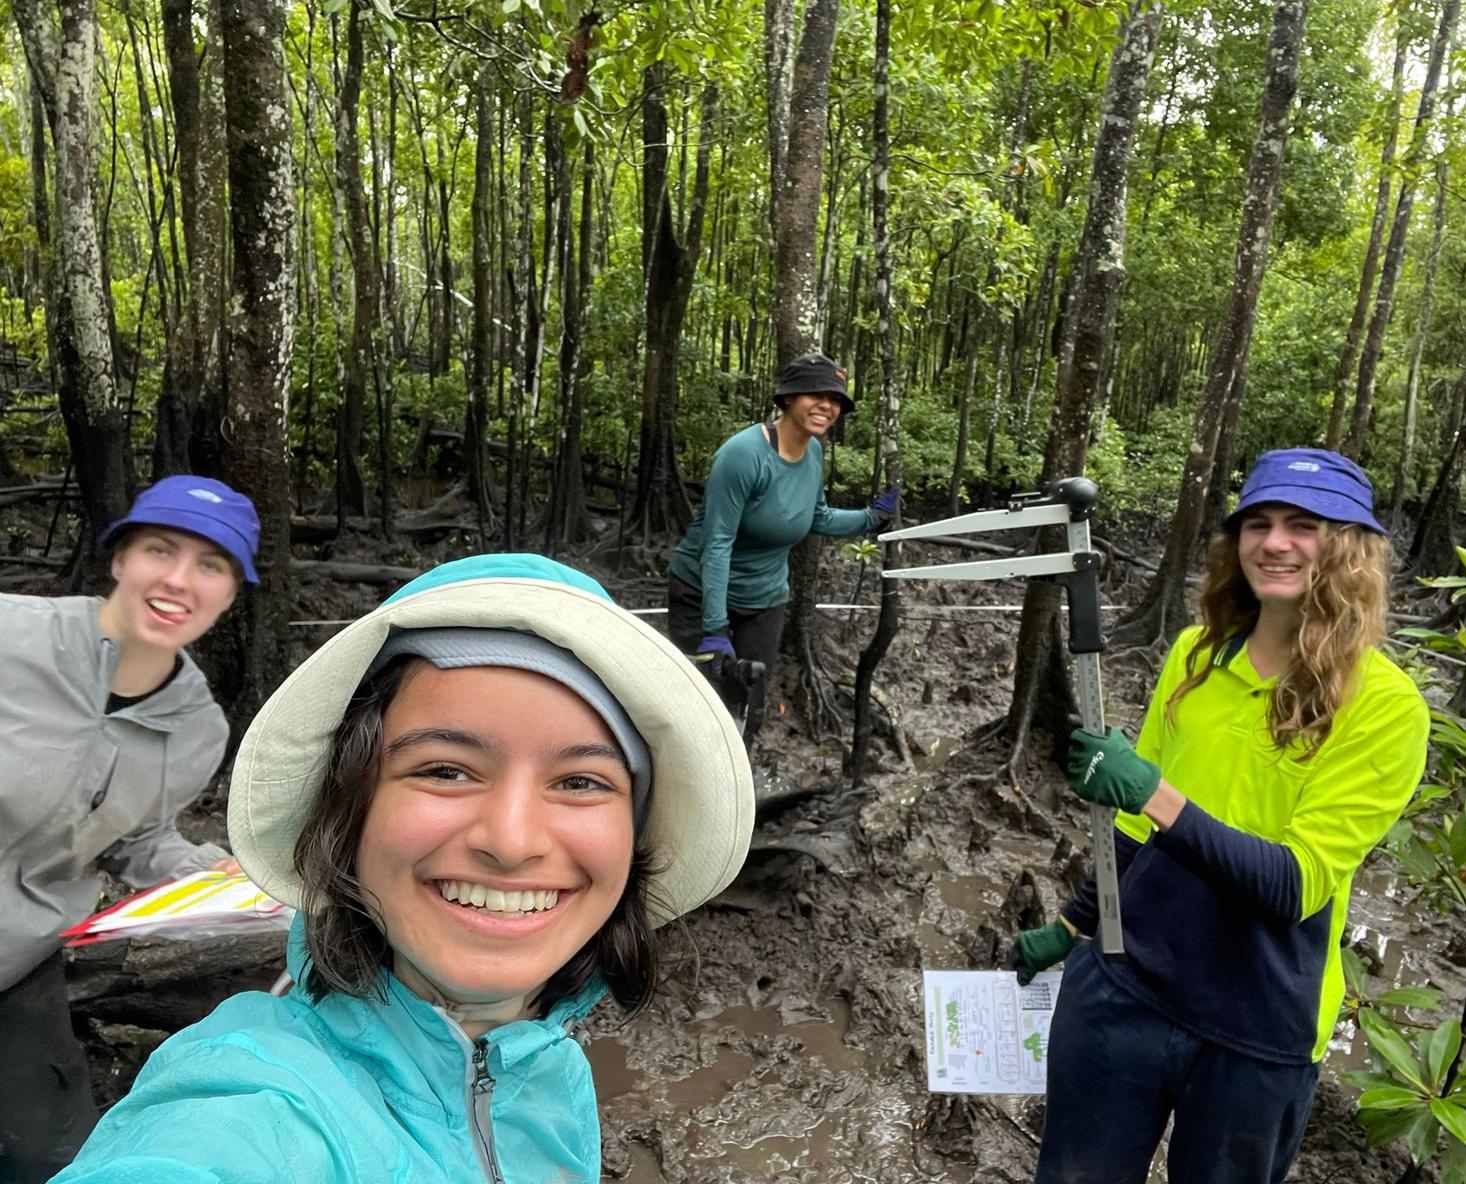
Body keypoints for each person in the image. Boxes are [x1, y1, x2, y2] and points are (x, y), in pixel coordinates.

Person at [52, 553, 754, 1183]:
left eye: (580, 782)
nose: (510, 842)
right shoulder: (250, 1115)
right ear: (348, 811)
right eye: (445, 770)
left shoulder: (550, 1065)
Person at [1009, 449, 1429, 1184]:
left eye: (1305, 525)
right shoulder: (1196, 655)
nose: (1275, 542)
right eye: (1257, 523)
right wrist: (1072, 926)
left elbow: (1294, 884)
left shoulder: (1387, 707)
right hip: (1124, 989)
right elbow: (1138, 838)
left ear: (1351, 548)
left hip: (1257, 1028)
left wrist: (1153, 793)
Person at [0, 475, 259, 1183]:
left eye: (211, 566)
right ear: (119, 559)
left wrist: (213, 873)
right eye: (159, 550)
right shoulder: (11, 634)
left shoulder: (197, 727)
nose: (179, 579)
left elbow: (135, 840)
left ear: (231, 593)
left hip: (18, 964)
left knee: (51, 1158)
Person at [666, 352, 898, 743]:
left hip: (765, 599)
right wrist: (715, 626)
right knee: (698, 708)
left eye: (836, 399)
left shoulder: (813, 453)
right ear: (789, 397)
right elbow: (717, 543)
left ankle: (738, 785)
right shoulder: (742, 456)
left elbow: (817, 517)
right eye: (815, 394)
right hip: (702, 592)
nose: (827, 405)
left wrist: (869, 519)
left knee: (749, 704)